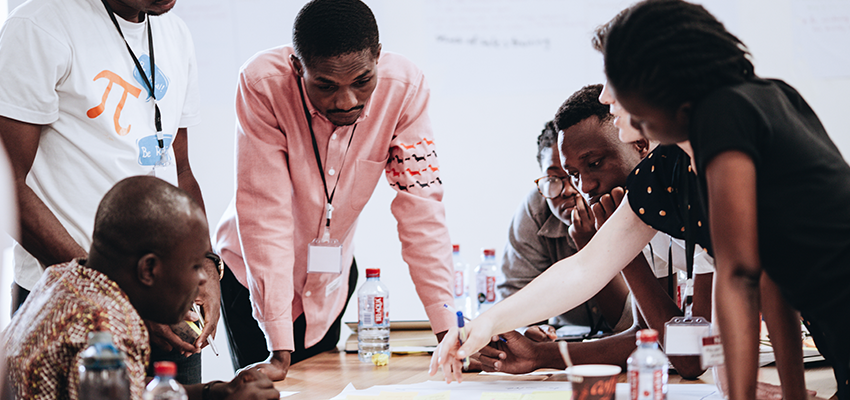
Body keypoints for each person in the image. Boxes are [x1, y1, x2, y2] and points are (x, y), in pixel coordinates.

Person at [600, 1, 850, 399]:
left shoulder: (721, 115)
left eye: (621, 82)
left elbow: (738, 277)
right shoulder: (770, 97)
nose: (608, 98)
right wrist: (793, 393)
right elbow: (770, 278)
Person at [214, 0, 455, 380]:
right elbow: (265, 213)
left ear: (378, 56)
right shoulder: (263, 84)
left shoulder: (405, 88)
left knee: (323, 386)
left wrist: (447, 329)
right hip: (252, 277)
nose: (347, 101)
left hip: (331, 278)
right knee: (267, 389)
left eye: (362, 81)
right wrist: (278, 347)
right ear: (298, 67)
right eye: (325, 85)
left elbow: (421, 208)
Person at [0, 0, 219, 384]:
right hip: (72, 308)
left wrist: (205, 267)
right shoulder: (40, 25)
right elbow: (6, 185)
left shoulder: (175, 33)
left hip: (163, 301)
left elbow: (180, 169)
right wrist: (114, 298)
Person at [476, 84, 714, 378]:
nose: (584, 186)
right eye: (574, 174)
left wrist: (619, 250)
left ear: (639, 143)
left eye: (595, 164)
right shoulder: (642, 209)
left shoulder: (693, 191)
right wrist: (531, 349)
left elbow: (693, 357)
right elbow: (649, 336)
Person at [1, 177, 279, 400]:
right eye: (194, 266)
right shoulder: (109, 327)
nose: (202, 280)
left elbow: (128, 391)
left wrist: (216, 392)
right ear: (148, 270)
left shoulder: (63, 278)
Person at [498, 121, 633, 337]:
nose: (569, 190)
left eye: (575, 175)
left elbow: (629, 322)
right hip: (568, 340)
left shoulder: (631, 203)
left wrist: (589, 246)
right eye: (553, 178)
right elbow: (513, 299)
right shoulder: (536, 210)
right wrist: (529, 329)